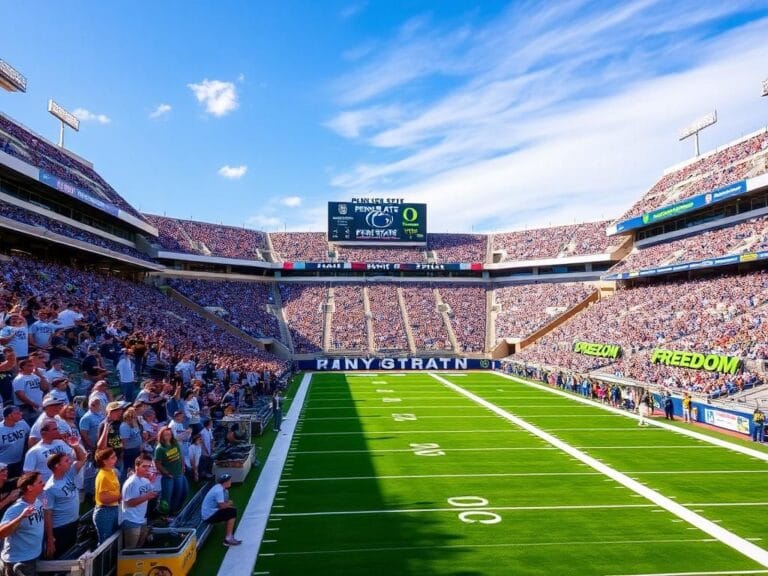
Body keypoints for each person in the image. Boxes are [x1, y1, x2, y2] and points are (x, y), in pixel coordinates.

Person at [43, 439, 87, 558]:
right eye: (66, 461)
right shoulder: (49, 488)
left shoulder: (68, 473)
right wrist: (50, 538)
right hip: (61, 528)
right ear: (57, 466)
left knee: (72, 555)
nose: (70, 462)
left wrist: (76, 447)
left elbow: (82, 458)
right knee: (62, 558)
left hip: (73, 523)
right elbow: (47, 514)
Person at [0, 472, 47, 576]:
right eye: (40, 482)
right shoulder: (16, 509)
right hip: (19, 562)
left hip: (34, 555)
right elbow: (1, 533)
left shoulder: (37, 502)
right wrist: (20, 517)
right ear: (30, 487)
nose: (43, 483)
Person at [121, 453, 159, 549]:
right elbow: (128, 503)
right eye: (144, 466)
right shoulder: (131, 483)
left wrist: (152, 482)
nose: (147, 469)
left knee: (139, 547)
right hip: (131, 521)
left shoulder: (145, 480)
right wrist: (147, 497)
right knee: (130, 550)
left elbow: (153, 492)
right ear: (136, 466)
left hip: (142, 519)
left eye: (149, 466)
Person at [154, 426, 187, 522]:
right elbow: (158, 463)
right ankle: (164, 515)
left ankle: (174, 511)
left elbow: (180, 455)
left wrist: (183, 465)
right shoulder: (159, 448)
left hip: (179, 473)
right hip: (169, 476)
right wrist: (166, 473)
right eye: (165, 435)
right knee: (166, 497)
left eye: (169, 434)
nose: (168, 436)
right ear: (161, 436)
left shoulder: (175, 443)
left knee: (181, 492)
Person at [201, 474, 242, 547]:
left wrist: (228, 504)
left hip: (210, 512)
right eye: (229, 480)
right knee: (232, 512)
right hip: (208, 516)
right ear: (225, 482)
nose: (230, 481)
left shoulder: (221, 489)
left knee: (231, 510)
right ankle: (228, 539)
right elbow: (223, 506)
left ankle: (230, 533)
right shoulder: (219, 491)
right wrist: (229, 503)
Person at [92, 448, 121, 544]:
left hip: (113, 509)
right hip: (105, 512)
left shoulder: (112, 471)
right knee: (105, 544)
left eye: (115, 456)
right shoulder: (103, 476)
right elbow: (103, 499)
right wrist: (122, 496)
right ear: (104, 461)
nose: (116, 459)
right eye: (112, 457)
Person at [0, 406, 30, 479]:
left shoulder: (23, 424)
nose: (21, 414)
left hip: (19, 462)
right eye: (17, 413)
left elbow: (29, 438)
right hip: (3, 465)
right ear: (10, 416)